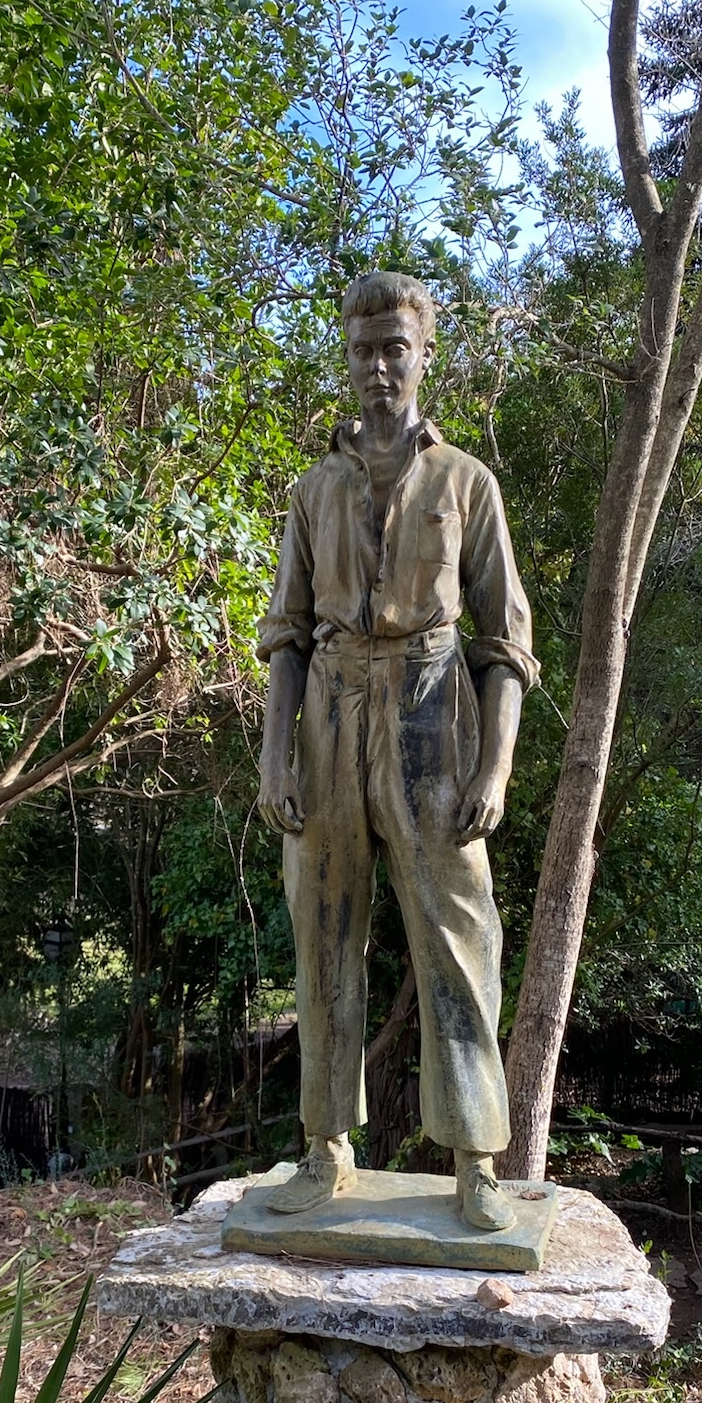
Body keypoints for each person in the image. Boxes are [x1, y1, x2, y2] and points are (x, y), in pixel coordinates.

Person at [256, 271, 539, 1233]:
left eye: (394, 348)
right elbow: (285, 636)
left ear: (424, 355)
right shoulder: (314, 489)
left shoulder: (467, 484)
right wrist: (274, 759)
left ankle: (476, 1159)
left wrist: (494, 769)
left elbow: (506, 643)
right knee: (322, 930)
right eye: (362, 349)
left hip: (433, 714)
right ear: (347, 358)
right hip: (331, 718)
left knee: (459, 933)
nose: (378, 367)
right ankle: (325, 1145)